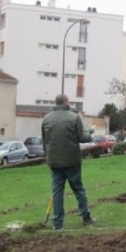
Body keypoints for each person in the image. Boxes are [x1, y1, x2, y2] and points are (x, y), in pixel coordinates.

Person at [42, 94, 95, 231]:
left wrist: (47, 157)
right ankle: (86, 216)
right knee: (78, 189)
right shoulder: (74, 117)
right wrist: (89, 133)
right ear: (66, 102)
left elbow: (45, 141)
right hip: (72, 160)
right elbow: (82, 138)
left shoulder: (46, 119)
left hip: (54, 161)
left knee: (57, 192)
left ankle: (58, 223)